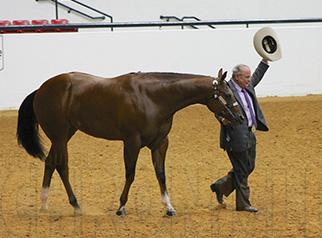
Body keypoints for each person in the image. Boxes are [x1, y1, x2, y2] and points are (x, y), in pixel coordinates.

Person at [210, 59, 269, 212]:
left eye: (249, 77)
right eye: (246, 77)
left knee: (249, 166)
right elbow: (217, 107)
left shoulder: (247, 86)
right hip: (235, 135)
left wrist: (265, 59)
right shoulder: (227, 89)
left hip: (250, 133)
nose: (250, 80)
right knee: (242, 169)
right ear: (237, 77)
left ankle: (221, 186)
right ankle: (243, 204)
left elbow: (257, 75)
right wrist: (221, 119)